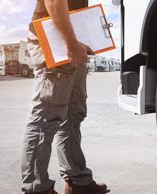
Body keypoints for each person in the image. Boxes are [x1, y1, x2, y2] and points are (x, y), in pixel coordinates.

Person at [21, 0, 107, 193]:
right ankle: (36, 187)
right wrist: (70, 42)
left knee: (72, 115)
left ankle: (77, 180)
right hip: (54, 38)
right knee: (45, 117)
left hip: (73, 39)